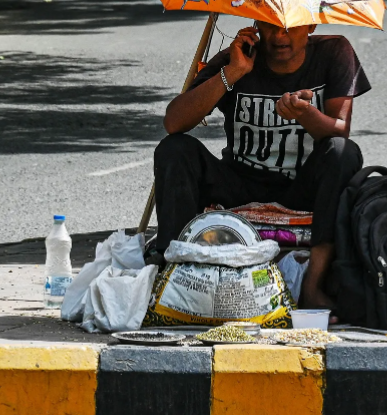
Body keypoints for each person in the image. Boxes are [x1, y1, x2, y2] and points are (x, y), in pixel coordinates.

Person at [153, 22, 368, 311]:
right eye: (270, 27)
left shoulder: (334, 51)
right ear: (256, 26)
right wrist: (232, 72)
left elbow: (339, 130)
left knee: (344, 152)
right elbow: (174, 123)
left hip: (300, 188)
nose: (280, 37)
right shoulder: (239, 57)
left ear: (311, 25)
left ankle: (314, 284)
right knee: (175, 149)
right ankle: (172, 272)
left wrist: (305, 114)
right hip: (240, 184)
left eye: (291, 28)